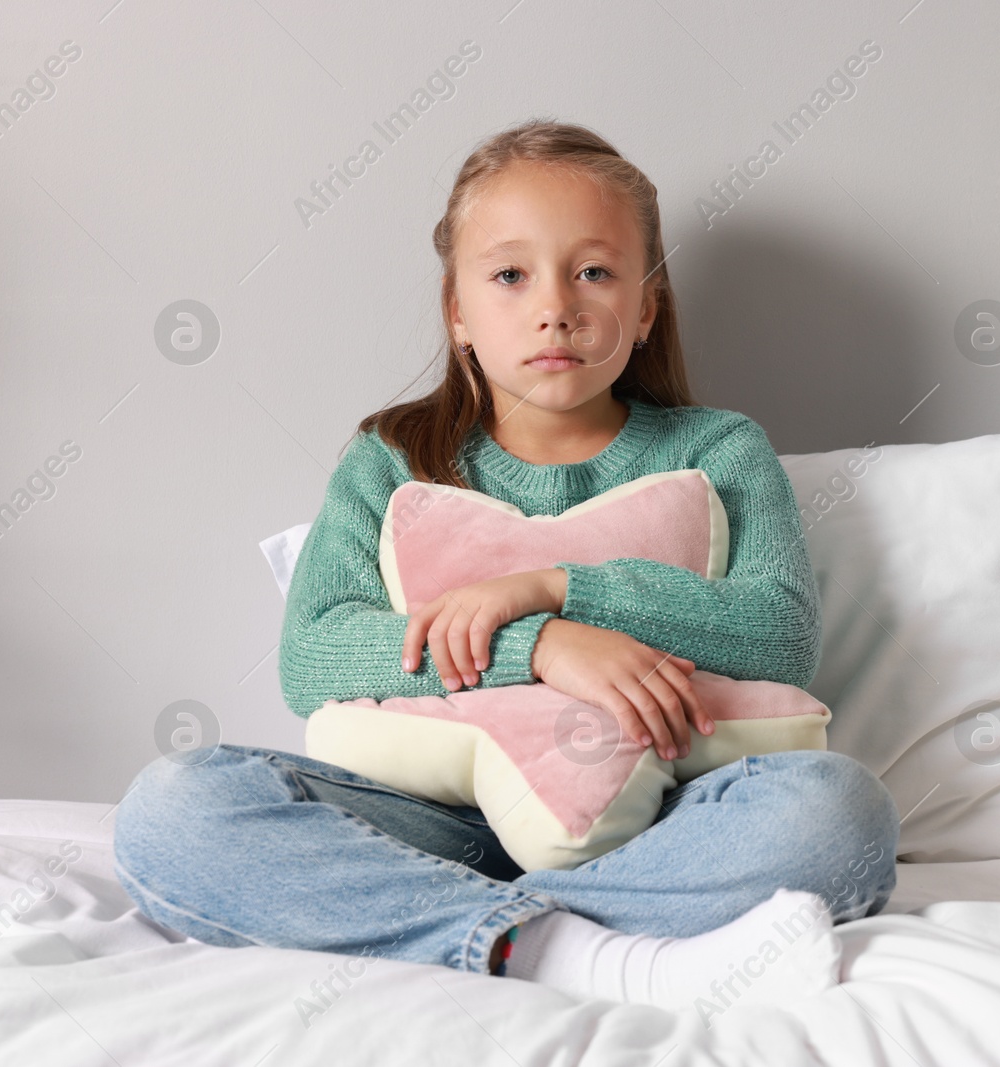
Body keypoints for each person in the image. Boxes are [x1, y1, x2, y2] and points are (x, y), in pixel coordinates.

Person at [112, 118, 898, 1011]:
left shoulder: (719, 450)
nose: (554, 306)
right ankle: (583, 953)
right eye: (511, 275)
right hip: (431, 823)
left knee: (840, 812)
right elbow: (316, 654)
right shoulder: (390, 457)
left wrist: (566, 587)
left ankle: (494, 934)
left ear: (646, 307)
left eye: (594, 271)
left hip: (655, 820)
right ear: (458, 310)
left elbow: (779, 634)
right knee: (175, 807)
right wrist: (542, 644)